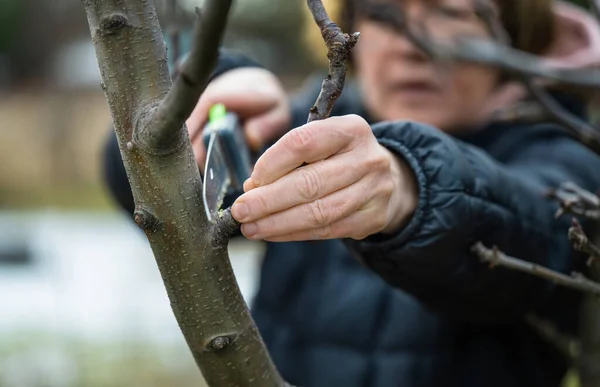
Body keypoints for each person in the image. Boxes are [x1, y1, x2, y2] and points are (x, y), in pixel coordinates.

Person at [102, 0, 600, 386]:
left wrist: (410, 187)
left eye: (451, 13)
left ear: (515, 36)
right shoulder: (314, 126)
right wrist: (211, 97)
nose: (413, 45)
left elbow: (539, 228)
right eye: (384, 15)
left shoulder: (569, 156)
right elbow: (133, 181)